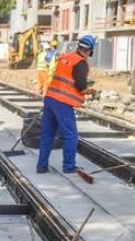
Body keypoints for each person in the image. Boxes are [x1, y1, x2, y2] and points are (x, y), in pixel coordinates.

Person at [36, 35, 96, 175]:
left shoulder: (65, 57)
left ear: (78, 46)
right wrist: (91, 91)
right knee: (71, 136)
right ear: (90, 50)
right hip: (62, 103)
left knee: (47, 135)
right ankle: (69, 166)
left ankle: (41, 166)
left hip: (50, 98)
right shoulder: (80, 63)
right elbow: (80, 85)